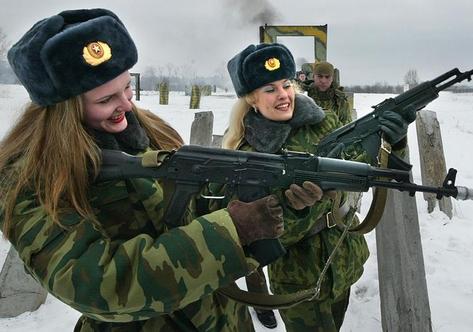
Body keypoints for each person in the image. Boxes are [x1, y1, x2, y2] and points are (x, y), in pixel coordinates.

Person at [0, 9, 286, 331]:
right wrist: (231, 231)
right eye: (106, 98)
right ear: (63, 109)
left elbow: (190, 211)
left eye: (127, 88)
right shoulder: (30, 180)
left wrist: (270, 202)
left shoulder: (152, 132)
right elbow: (99, 286)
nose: (126, 105)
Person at [221, 43, 416, 331]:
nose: (283, 95)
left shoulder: (324, 124)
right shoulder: (249, 153)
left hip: (342, 260)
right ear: (251, 99)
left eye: (286, 85)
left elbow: (361, 167)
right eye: (270, 89)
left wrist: (394, 139)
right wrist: (294, 210)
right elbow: (251, 239)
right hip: (300, 280)